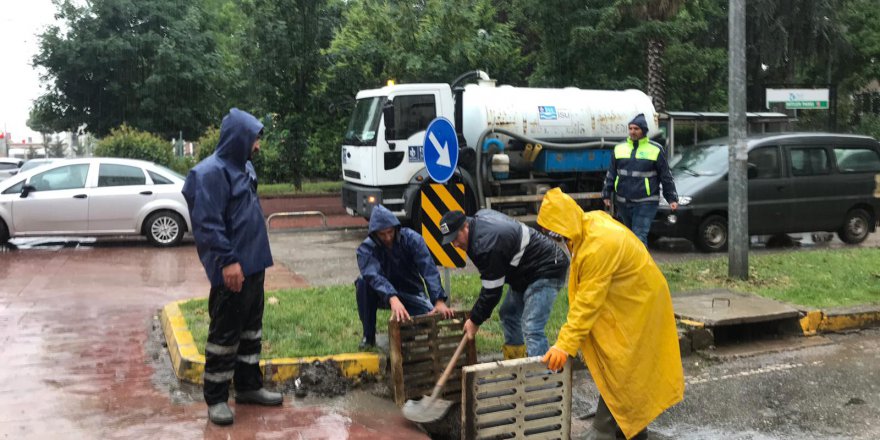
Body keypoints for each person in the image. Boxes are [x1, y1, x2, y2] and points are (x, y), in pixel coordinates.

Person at [538, 188, 684, 440]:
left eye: (554, 233)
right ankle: (633, 427)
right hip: (630, 296)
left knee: (621, 362)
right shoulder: (587, 225)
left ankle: (604, 430)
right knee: (623, 362)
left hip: (639, 302)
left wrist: (564, 345)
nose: (555, 239)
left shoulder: (597, 246)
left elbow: (588, 302)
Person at [182, 108, 281, 426]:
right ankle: (216, 397)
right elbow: (208, 225)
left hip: (254, 264)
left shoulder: (244, 168)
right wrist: (227, 261)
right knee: (225, 334)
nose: (257, 146)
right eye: (253, 139)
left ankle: (249, 386)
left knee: (251, 331)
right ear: (239, 138)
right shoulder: (209, 173)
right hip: (233, 268)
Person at [439, 209, 568, 359]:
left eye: (455, 237)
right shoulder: (477, 227)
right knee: (509, 313)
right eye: (451, 240)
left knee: (532, 325)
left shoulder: (487, 243)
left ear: (465, 226)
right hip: (524, 271)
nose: (454, 244)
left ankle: (544, 375)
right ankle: (516, 363)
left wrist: (474, 321)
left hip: (547, 267)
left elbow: (492, 292)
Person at [356, 204, 455, 349]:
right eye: (382, 234)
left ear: (396, 228)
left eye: (390, 232)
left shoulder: (413, 239)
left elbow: (428, 269)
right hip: (382, 295)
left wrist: (438, 300)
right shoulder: (366, 249)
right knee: (362, 282)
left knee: (427, 318)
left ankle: (409, 330)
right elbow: (373, 275)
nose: (387, 237)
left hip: (411, 292)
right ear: (374, 233)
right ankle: (368, 336)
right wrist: (392, 297)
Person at [602, 113, 678, 246]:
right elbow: (612, 173)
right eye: (630, 128)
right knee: (628, 236)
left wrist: (671, 198)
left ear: (644, 130)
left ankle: (641, 266)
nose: (633, 132)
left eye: (636, 129)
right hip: (623, 201)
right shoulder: (619, 148)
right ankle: (633, 266)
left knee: (639, 236)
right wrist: (606, 193)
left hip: (646, 202)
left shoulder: (655, 149)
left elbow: (666, 176)